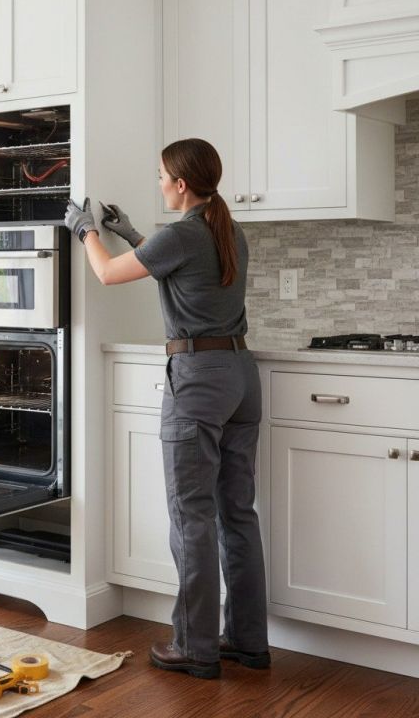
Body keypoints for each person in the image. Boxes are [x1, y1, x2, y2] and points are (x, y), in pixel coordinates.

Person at [64, 138, 270, 679]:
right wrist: (130, 232)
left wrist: (85, 230)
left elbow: (108, 274)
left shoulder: (183, 234)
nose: (158, 183)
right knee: (237, 515)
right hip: (242, 377)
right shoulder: (226, 229)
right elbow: (168, 264)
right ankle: (247, 641)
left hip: (199, 380)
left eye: (161, 176)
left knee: (192, 516)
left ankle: (195, 646)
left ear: (181, 184)